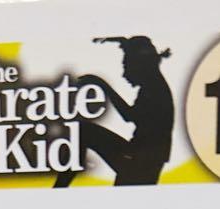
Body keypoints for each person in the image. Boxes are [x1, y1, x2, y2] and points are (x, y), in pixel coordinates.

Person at [54, 36, 174, 188]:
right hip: (139, 158)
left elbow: (129, 115)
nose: (125, 73)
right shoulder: (153, 84)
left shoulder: (154, 87)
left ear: (139, 64)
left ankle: (59, 189)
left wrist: (102, 84)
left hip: (141, 161)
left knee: (83, 131)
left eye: (126, 65)